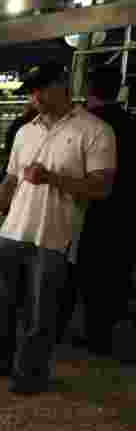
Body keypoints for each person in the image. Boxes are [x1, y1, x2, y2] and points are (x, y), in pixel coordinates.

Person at [0, 63, 116, 394]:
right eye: (32, 89)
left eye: (42, 87)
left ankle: (30, 372)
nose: (35, 95)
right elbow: (10, 179)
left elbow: (101, 187)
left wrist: (52, 178)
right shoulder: (26, 130)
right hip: (13, 229)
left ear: (63, 85)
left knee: (42, 311)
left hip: (56, 235)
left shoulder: (95, 130)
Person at [71, 66, 135, 357]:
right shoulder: (130, 123)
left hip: (91, 208)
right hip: (126, 209)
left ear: (87, 87)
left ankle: (90, 332)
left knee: (88, 270)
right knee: (116, 270)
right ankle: (107, 331)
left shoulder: (87, 126)